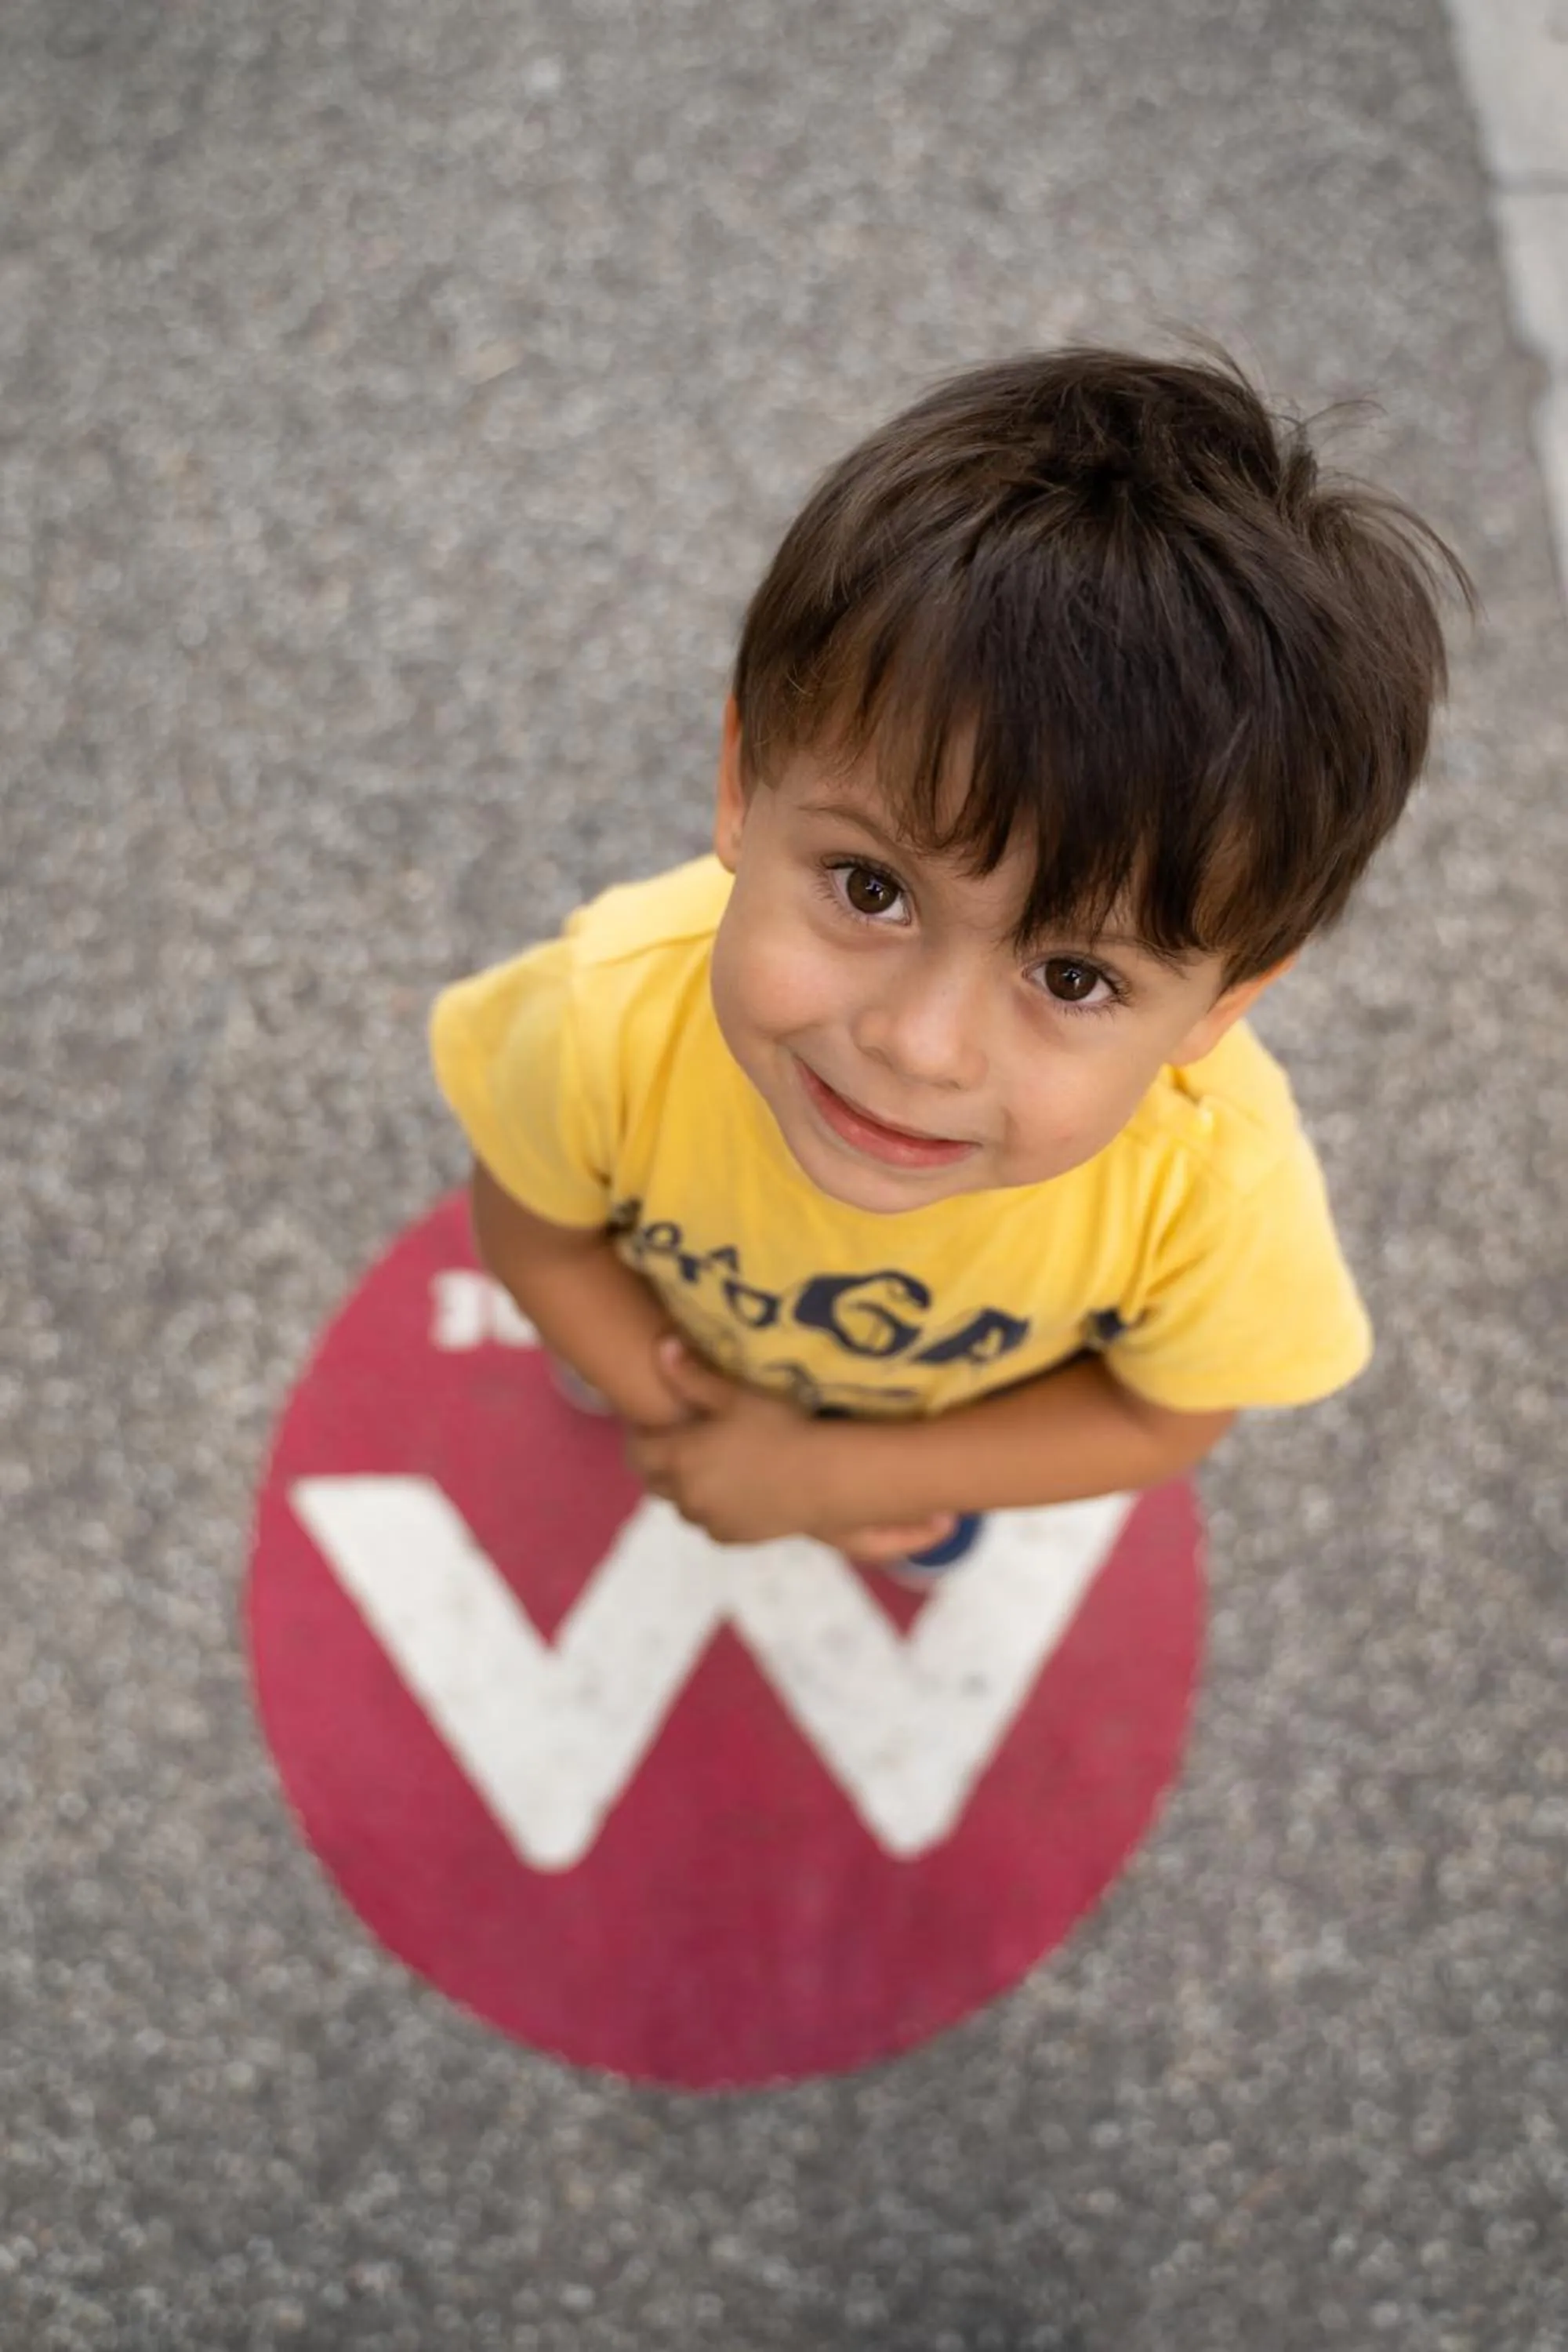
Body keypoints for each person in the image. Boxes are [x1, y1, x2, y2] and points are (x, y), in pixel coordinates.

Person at [430, 348, 1469, 1577]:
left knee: (917, 1530)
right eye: (871, 890)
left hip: (935, 1442)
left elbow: (1164, 1411)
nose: (918, 1047)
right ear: (744, 777)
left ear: (1229, 1002)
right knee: (613, 1343)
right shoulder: (606, 1015)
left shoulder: (1209, 1192)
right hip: (690, 1356)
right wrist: (675, 1412)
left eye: (1075, 978)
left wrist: (837, 1478)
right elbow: (541, 1239)